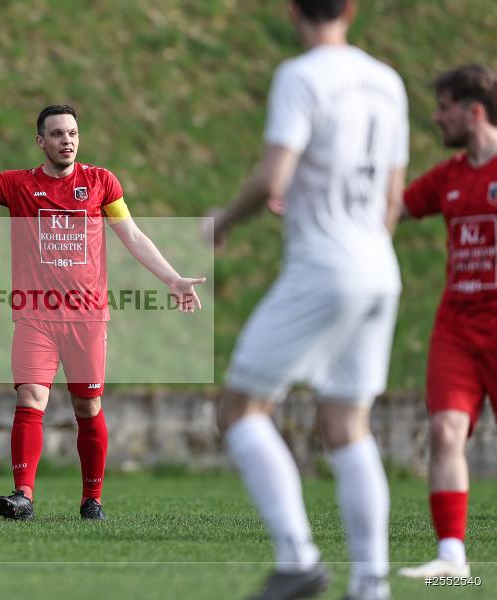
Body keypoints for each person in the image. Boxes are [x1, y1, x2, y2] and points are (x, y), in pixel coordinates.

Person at [0, 104, 204, 521]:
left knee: (88, 407)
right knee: (30, 398)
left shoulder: (101, 183)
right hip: (35, 316)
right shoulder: (18, 185)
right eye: (58, 134)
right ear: (40, 141)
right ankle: (23, 494)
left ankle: (92, 499)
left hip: (87, 318)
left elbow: (133, 234)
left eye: (73, 133)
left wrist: (172, 278)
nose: (67, 140)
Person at [205, 1, 408, 598]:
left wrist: (224, 220)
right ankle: (371, 587)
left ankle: (297, 559)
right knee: (347, 425)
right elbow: (390, 195)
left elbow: (272, 177)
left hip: (325, 265)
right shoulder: (387, 81)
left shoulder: (301, 75)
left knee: (241, 411)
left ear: (293, 10)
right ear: (352, 8)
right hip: (380, 265)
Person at [396, 64, 497, 580]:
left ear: (473, 111)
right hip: (456, 327)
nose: (436, 118)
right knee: (444, 431)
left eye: (444, 107)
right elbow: (392, 210)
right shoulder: (450, 176)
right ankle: (452, 558)